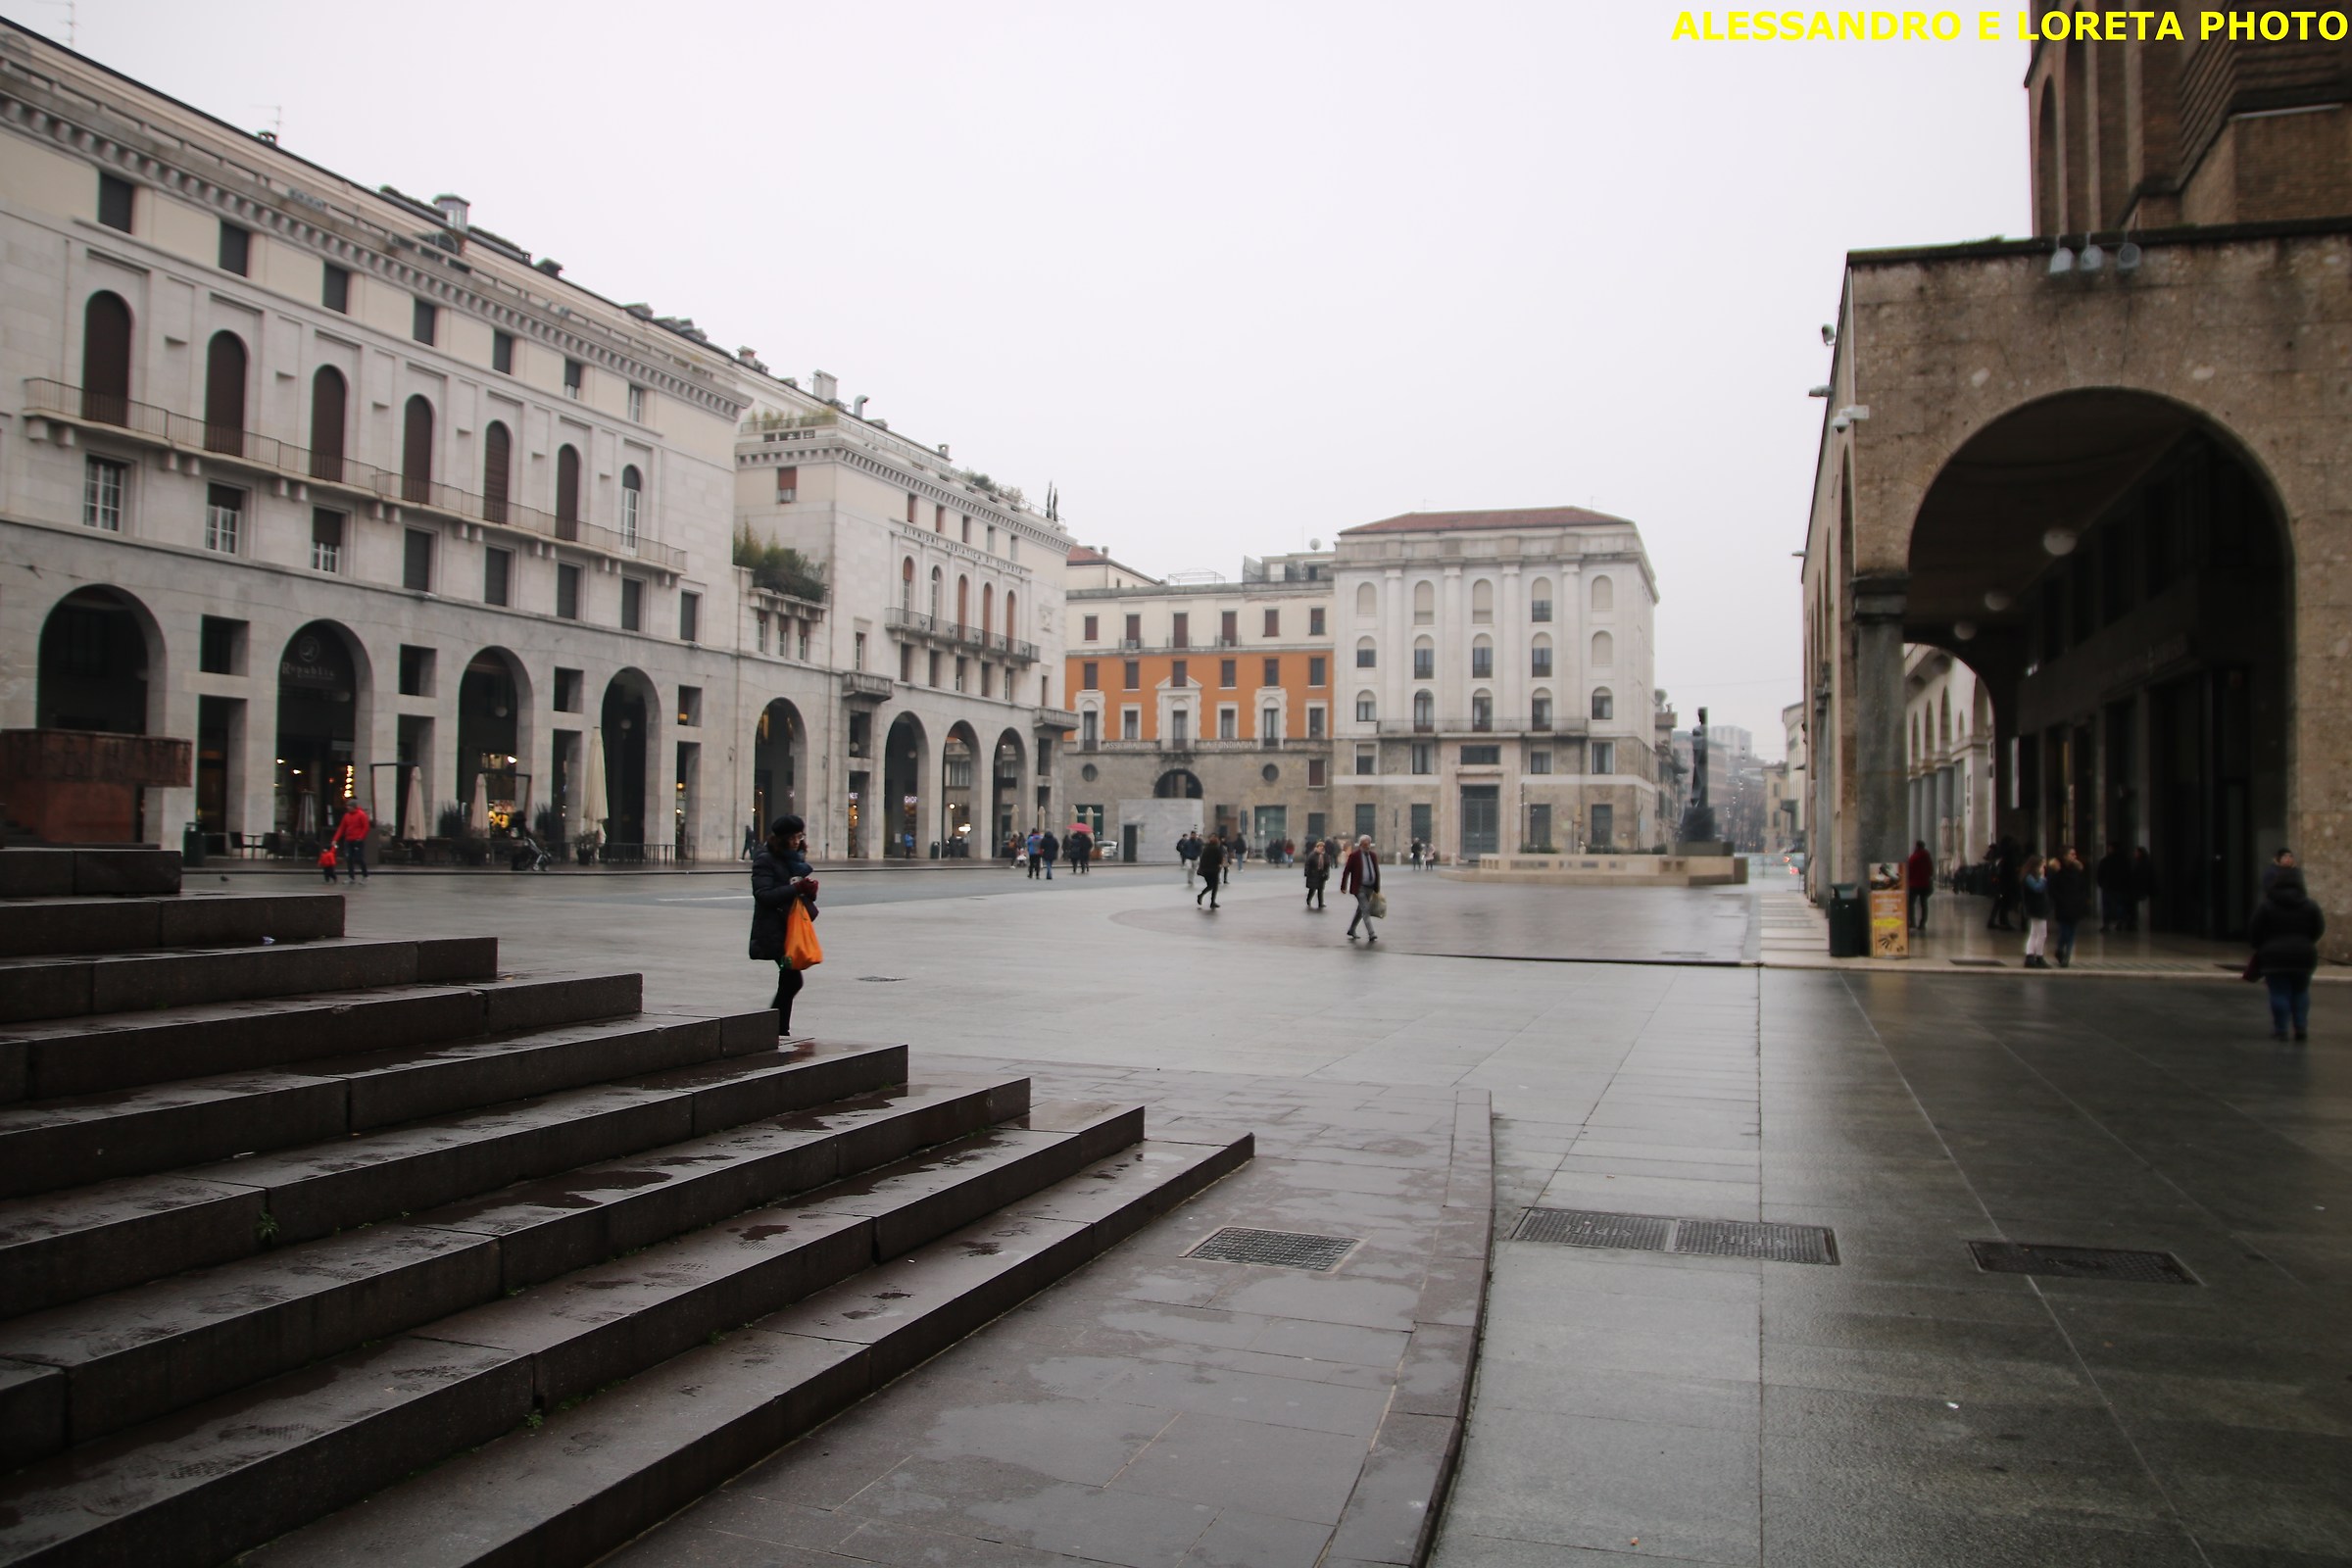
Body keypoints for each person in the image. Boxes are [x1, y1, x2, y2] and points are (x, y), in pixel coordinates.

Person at [748, 814, 818, 1038]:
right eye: (794, 837)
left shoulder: (793, 860)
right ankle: (774, 1029)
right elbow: (763, 895)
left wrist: (809, 892)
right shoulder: (765, 859)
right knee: (792, 980)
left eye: (800, 836)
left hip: (791, 927)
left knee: (789, 981)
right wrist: (797, 889)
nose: (798, 841)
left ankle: (777, 1029)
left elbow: (794, 893)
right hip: (774, 928)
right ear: (783, 838)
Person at [2248, 862, 2325, 1042]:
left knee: (2279, 992)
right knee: (2301, 991)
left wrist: (2262, 946)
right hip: (2304, 953)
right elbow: (2318, 928)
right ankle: (2300, 1027)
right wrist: (2306, 941)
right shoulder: (2310, 905)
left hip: (2274, 954)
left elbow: (2255, 930)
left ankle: (2281, 1029)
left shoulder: (2267, 906)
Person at [2051, 846, 2091, 968]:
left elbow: (2083, 887)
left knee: (2072, 932)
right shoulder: (2058, 870)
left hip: (2075, 905)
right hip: (2063, 905)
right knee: (2065, 931)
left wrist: (2082, 901)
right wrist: (2059, 899)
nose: (2074, 857)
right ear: (2064, 856)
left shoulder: (2077, 870)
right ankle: (2059, 949)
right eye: (2071, 854)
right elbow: (2053, 888)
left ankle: (2066, 956)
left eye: (2075, 854)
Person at [1343, 835, 1382, 941]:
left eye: (1369, 844)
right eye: (1365, 844)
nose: (1368, 846)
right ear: (1360, 845)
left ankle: (1351, 929)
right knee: (1365, 909)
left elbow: (1376, 871)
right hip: (1359, 887)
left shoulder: (1372, 855)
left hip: (1370, 887)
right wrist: (1343, 886)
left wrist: (1377, 887)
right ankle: (1371, 933)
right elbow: (1346, 871)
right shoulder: (1354, 856)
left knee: (1360, 910)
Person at [2019, 853, 2052, 968]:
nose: (2043, 868)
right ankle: (2038, 956)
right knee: (2041, 934)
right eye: (2042, 865)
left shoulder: (2031, 877)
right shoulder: (2029, 877)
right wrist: (2043, 878)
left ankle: (2031, 956)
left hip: (2037, 908)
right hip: (2037, 909)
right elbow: (2037, 889)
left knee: (2034, 933)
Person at [332, 802, 372, 884]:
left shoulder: (361, 815)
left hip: (357, 840)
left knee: (359, 858)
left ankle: (365, 876)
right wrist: (335, 839)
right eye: (347, 806)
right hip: (348, 839)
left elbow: (366, 827)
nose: (348, 808)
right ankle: (351, 877)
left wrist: (360, 837)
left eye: (349, 806)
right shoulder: (346, 816)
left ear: (354, 807)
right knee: (349, 858)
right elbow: (342, 828)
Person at [2096, 843, 2131, 932]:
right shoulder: (2124, 861)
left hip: (2108, 887)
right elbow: (2128, 874)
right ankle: (2120, 922)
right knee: (2119, 905)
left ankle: (2107, 924)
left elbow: (2100, 874)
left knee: (2107, 906)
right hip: (2120, 887)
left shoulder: (2106, 860)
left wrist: (2101, 883)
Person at [1905, 840, 1934, 932]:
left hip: (1914, 884)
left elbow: (1909, 870)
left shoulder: (1914, 857)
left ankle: (1912, 921)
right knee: (1924, 904)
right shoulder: (1927, 857)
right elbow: (1931, 870)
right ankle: (1922, 923)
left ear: (1917, 846)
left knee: (1910, 904)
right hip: (1925, 884)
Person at [1195, 831, 1226, 910]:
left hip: (1205, 870)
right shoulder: (1216, 849)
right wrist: (1221, 865)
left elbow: (1202, 859)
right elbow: (1220, 859)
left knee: (1210, 885)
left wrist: (1201, 868)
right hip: (1214, 870)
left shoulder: (1206, 848)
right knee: (1214, 886)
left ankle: (1201, 895)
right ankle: (1212, 902)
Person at [2128, 847, 2155, 931]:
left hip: (2138, 887)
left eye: (2136, 852)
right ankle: (2131, 922)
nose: (2135, 854)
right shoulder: (2140, 863)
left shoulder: (2142, 864)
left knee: (2132, 905)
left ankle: (2132, 922)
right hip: (2137, 887)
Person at [1303, 839, 1330, 910]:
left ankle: (1320, 903)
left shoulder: (1325, 855)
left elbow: (1327, 866)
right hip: (1313, 874)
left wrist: (1326, 874)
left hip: (1321, 875)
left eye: (1322, 846)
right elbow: (1308, 864)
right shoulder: (1312, 855)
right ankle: (1308, 900)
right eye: (1320, 846)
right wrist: (1307, 873)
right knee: (1312, 889)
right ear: (1317, 847)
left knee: (1320, 890)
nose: (1321, 848)